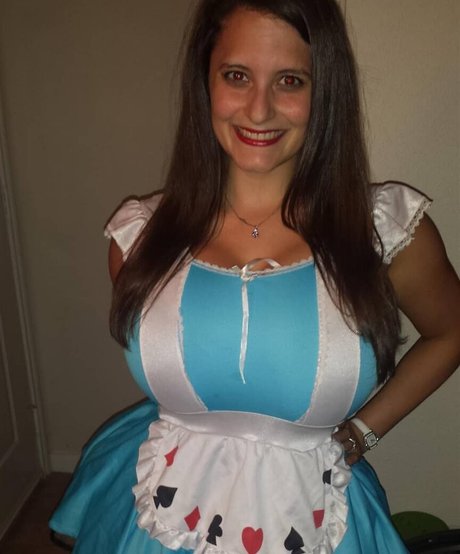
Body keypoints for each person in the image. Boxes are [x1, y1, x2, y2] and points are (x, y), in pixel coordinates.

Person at [49, 0, 460, 552]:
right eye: (237, 76)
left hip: (316, 517)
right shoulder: (141, 240)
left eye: (290, 80)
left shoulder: (386, 233)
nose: (259, 109)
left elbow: (451, 331)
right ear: (206, 82)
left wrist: (364, 431)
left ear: (325, 89)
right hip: (155, 508)